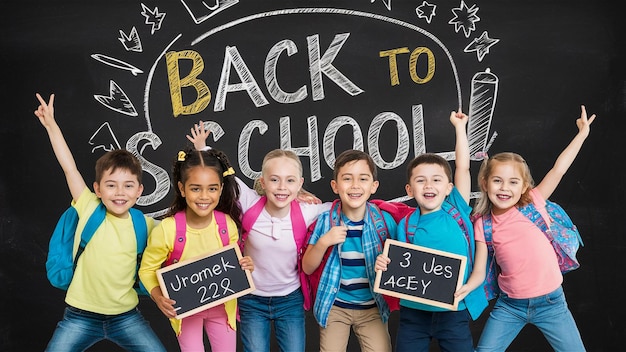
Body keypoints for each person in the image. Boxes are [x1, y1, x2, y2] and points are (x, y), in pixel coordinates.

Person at [34, 93, 166, 352]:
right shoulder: (89, 208)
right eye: (111, 185)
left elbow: (185, 241)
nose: (120, 192)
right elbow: (69, 168)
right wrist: (51, 125)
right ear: (97, 189)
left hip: (126, 316)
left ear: (139, 190)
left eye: (128, 186)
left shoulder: (147, 225)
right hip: (80, 316)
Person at [187, 122, 330, 352]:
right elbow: (226, 175)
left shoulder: (307, 211)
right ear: (263, 182)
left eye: (290, 181)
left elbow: (340, 207)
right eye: (274, 180)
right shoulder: (251, 202)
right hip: (252, 300)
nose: (282, 187)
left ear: (299, 184)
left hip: (289, 300)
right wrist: (202, 147)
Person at [473, 106, 595, 352]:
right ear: (485, 184)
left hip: (552, 304)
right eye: (497, 181)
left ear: (524, 187)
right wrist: (462, 289)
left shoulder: (534, 202)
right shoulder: (482, 223)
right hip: (510, 306)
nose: (504, 188)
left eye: (513, 182)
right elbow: (478, 271)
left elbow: (559, 169)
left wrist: (581, 134)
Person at [375, 110, 488, 352]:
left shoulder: (457, 209)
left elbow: (464, 168)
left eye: (436, 180)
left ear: (448, 188)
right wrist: (384, 264)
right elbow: (399, 265)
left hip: (454, 312)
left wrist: (459, 128)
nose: (429, 185)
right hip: (414, 315)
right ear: (409, 188)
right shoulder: (406, 225)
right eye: (421, 180)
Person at [138, 147, 254, 352]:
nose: (204, 196)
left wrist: (245, 265)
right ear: (182, 189)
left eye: (212, 188)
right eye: (195, 188)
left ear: (220, 188)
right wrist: (157, 296)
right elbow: (147, 270)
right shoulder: (168, 229)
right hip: (186, 313)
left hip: (223, 309)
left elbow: (234, 261)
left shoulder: (226, 224)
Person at [302, 149, 397, 352]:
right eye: (347, 179)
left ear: (373, 186)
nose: (355, 186)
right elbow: (308, 267)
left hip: (372, 307)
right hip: (335, 306)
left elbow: (401, 265)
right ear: (335, 186)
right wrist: (323, 243)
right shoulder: (325, 222)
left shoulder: (383, 222)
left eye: (363, 179)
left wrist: (387, 264)